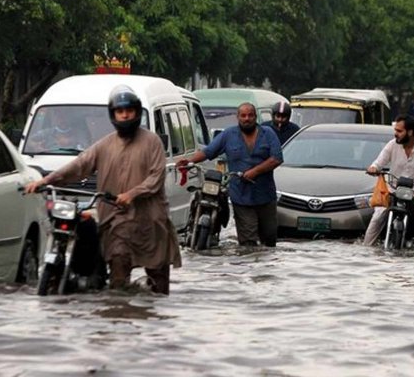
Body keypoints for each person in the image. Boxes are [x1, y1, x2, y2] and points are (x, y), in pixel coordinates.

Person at [25, 85, 181, 294]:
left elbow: (156, 178)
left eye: (129, 111)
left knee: (159, 282)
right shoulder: (104, 145)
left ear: (136, 112)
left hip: (150, 222)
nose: (125, 115)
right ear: (113, 114)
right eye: (120, 111)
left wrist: (131, 194)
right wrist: (45, 181)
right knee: (118, 271)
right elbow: (79, 166)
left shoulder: (152, 142)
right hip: (116, 220)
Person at [176, 103, 283, 247]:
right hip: (241, 196)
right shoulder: (229, 135)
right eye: (243, 116)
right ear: (237, 117)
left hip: (265, 196)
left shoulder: (268, 133)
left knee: (269, 241)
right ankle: (249, 268)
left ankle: (266, 269)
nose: (247, 119)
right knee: (248, 243)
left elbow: (276, 158)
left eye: (250, 115)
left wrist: (254, 172)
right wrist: (188, 162)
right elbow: (208, 152)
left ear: (255, 117)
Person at [363, 116, 414, 248]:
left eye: (399, 131)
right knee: (377, 218)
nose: (396, 134)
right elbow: (379, 162)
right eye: (395, 130)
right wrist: (374, 168)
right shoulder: (392, 145)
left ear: (410, 132)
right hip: (393, 188)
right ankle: (365, 251)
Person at [26, 109, 91, 152]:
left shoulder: (80, 133)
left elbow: (86, 147)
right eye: (58, 116)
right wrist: (35, 146)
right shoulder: (47, 132)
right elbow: (27, 140)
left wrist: (71, 141)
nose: (61, 119)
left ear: (69, 117)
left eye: (64, 116)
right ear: (54, 118)